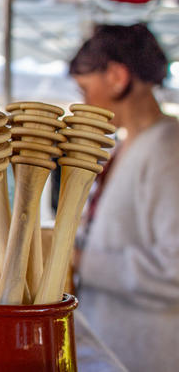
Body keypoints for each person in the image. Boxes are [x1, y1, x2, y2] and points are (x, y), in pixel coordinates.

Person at [69, 23, 179, 371]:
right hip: (113, 348)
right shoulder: (126, 147)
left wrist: (79, 260)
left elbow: (175, 269)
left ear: (117, 76)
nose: (83, 102)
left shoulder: (167, 149)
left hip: (149, 355)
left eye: (85, 89)